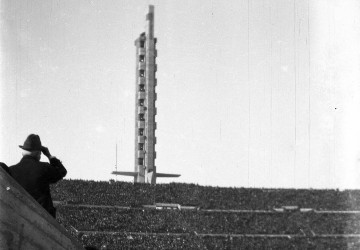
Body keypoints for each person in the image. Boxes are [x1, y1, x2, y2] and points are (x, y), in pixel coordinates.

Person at [9, 134, 67, 218]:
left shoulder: (11, 170)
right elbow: (62, 172)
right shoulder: (44, 168)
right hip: (43, 221)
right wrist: (49, 155)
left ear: (23, 152)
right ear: (38, 153)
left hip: (20, 219)